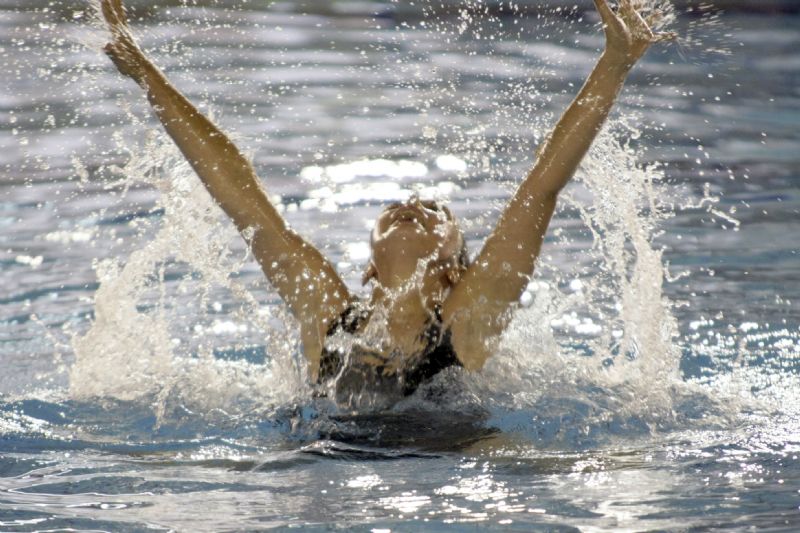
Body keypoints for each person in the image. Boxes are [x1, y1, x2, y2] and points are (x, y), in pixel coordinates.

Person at [99, 0, 671, 406]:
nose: (413, 207)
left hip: (453, 470)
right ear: (371, 262)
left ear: (453, 271)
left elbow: (540, 190)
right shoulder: (327, 315)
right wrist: (146, 74)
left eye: (436, 213)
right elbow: (243, 202)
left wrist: (614, 65)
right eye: (403, 203)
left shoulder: (467, 323)